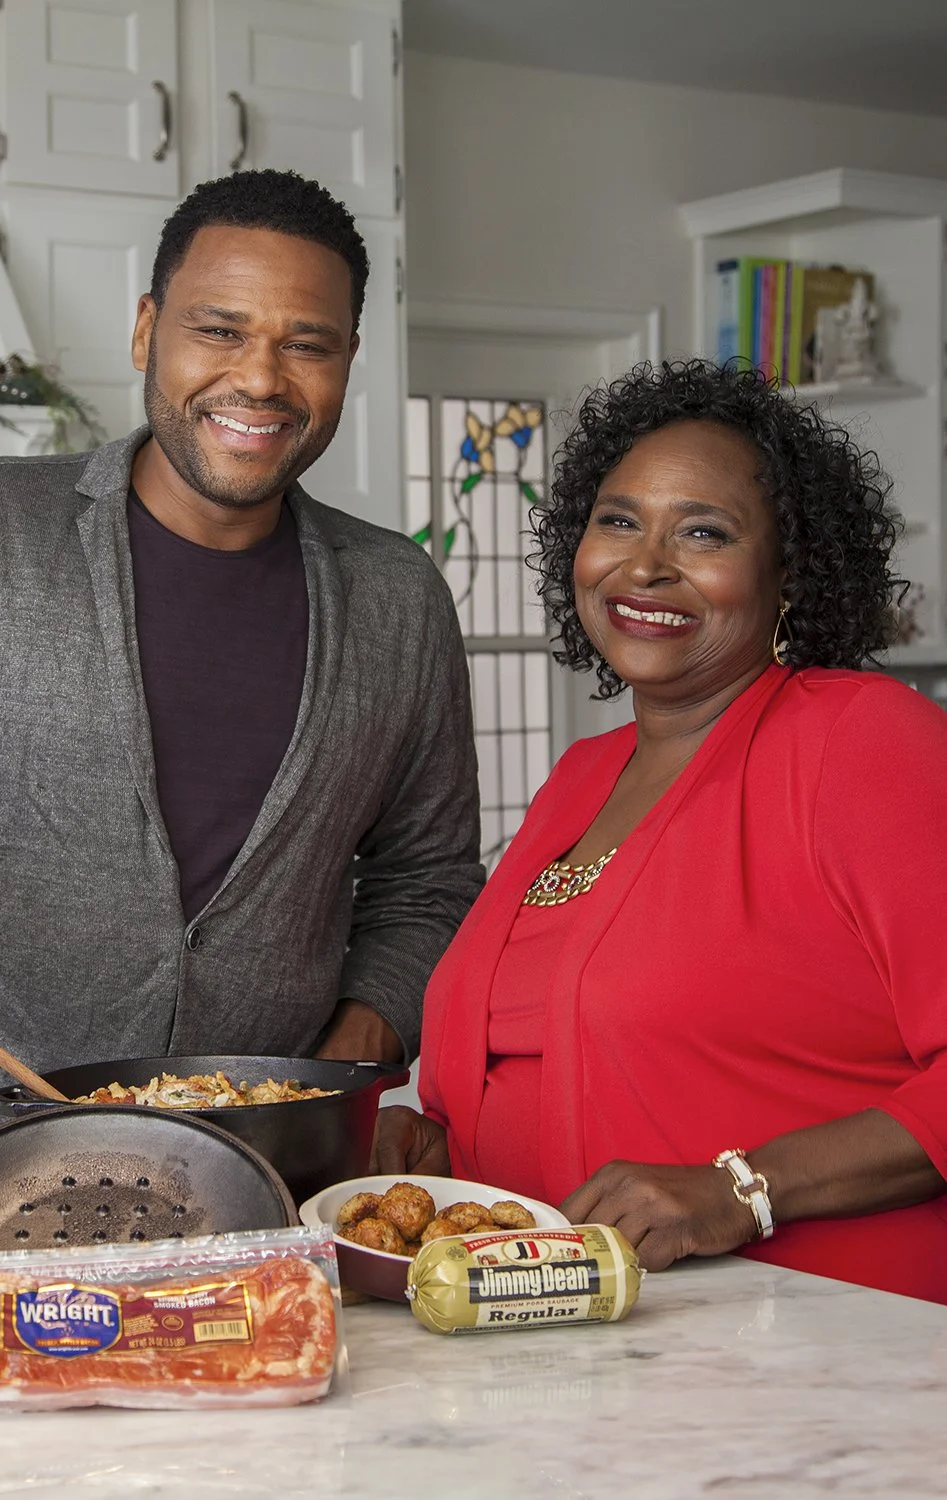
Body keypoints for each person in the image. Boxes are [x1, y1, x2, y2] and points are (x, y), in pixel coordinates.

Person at [0, 169, 483, 1205]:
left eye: (308, 342)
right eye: (219, 328)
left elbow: (426, 884)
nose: (261, 377)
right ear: (146, 330)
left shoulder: (399, 600)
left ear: (348, 361)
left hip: (273, 1186)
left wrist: (336, 1073)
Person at [374, 359, 947, 1303]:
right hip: (567, 1338)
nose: (644, 565)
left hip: (815, 1340)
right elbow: (559, 1054)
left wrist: (744, 1190)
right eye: (617, 520)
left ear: (789, 571)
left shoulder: (860, 742)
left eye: (703, 532)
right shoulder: (580, 779)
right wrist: (442, 1143)